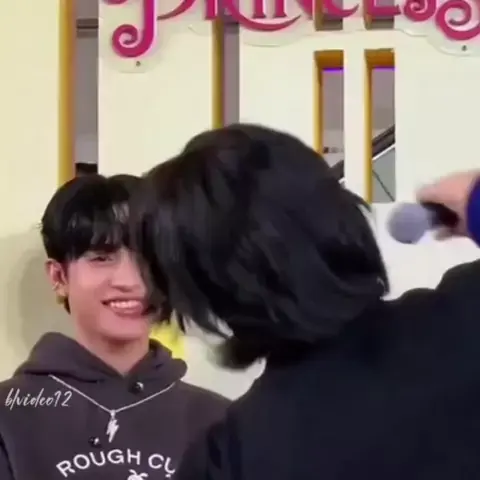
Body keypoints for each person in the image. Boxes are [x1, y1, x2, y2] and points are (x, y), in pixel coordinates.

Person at [131, 123, 480, 480]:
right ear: (339, 212)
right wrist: (473, 200)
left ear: (197, 294)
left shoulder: (229, 460)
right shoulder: (466, 318)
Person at [0, 174, 230, 480]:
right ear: (59, 277)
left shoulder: (219, 420)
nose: (131, 281)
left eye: (148, 258)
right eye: (102, 258)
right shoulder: (10, 414)